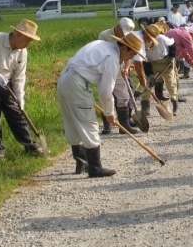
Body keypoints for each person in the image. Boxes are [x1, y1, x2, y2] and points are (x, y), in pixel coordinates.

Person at [57, 32, 143, 178]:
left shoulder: (100, 45)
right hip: (77, 82)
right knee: (89, 123)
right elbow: (105, 90)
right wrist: (109, 113)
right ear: (124, 49)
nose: (129, 59)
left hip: (64, 78)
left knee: (72, 122)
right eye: (131, 55)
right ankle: (95, 168)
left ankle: (81, 162)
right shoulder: (112, 58)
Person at [0, 19, 43, 160]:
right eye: (27, 40)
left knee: (17, 114)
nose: (28, 44)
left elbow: (19, 77)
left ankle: (29, 144)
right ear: (18, 34)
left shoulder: (22, 52)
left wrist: (20, 97)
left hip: (7, 84)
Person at [98, 18, 136, 135]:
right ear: (117, 27)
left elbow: (129, 55)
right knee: (104, 94)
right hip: (105, 68)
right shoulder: (104, 35)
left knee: (123, 94)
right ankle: (107, 124)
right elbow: (100, 52)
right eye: (122, 32)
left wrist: (126, 68)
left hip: (120, 67)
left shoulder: (128, 37)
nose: (123, 35)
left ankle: (124, 124)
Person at [163, 25, 193, 113]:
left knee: (175, 77)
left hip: (168, 53)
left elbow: (182, 49)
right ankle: (170, 98)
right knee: (171, 77)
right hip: (164, 54)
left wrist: (189, 60)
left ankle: (175, 96)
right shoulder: (186, 35)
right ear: (192, 33)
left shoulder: (182, 33)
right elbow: (191, 50)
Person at [141, 24, 176, 117]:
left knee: (170, 83)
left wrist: (172, 57)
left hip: (166, 62)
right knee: (147, 84)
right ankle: (145, 107)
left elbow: (172, 44)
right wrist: (150, 75)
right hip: (152, 64)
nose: (148, 41)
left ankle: (174, 102)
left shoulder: (161, 38)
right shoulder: (141, 43)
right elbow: (145, 61)